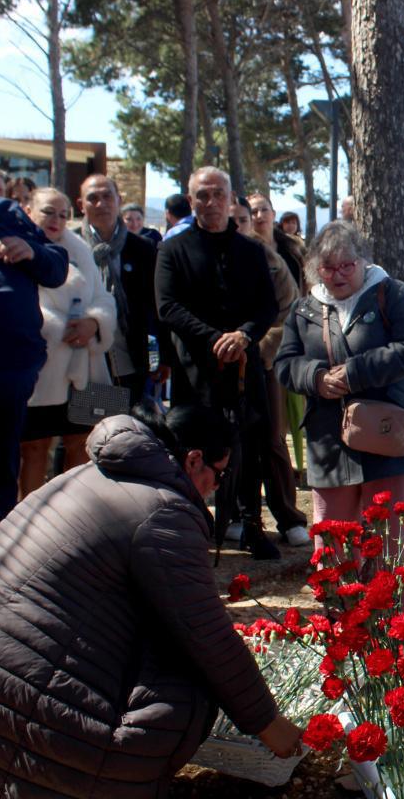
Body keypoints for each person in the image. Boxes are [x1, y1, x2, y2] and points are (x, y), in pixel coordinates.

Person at [0, 404, 303, 796]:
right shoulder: (164, 511)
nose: (217, 487)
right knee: (187, 685)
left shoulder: (83, 475)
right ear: (194, 460)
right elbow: (207, 635)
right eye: (220, 474)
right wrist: (268, 723)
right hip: (16, 709)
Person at [275, 221, 404, 556]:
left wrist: (354, 373)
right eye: (328, 267)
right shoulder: (303, 309)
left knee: (392, 551)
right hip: (329, 443)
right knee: (333, 551)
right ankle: (341, 595)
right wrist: (316, 378)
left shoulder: (395, 294)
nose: (338, 274)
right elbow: (285, 364)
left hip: (389, 441)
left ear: (363, 261)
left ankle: (388, 596)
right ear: (315, 269)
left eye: (347, 265)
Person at [156, 167, 281, 559]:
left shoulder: (251, 250)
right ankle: (189, 527)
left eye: (218, 195)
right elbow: (168, 307)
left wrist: (243, 335)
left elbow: (268, 306)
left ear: (230, 199)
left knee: (252, 445)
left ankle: (251, 525)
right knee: (193, 450)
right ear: (190, 200)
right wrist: (215, 339)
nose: (211, 202)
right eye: (202, 195)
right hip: (196, 368)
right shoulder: (173, 250)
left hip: (244, 365)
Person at [0, 124, 68, 535]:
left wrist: (32, 251)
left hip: (28, 369)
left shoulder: (5, 214)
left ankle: (0, 559)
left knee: (4, 468)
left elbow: (58, 269)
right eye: (49, 212)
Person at [18, 187, 117, 497]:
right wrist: (60, 328)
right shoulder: (19, 247)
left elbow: (103, 298)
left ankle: (70, 516)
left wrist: (94, 323)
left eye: (63, 215)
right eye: (48, 212)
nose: (56, 220)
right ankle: (28, 518)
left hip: (86, 364)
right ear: (29, 211)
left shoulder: (80, 249)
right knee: (33, 447)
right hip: (40, 368)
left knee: (82, 443)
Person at [232, 195, 309, 547]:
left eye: (243, 219)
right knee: (231, 441)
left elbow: (289, 309)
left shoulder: (269, 257)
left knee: (272, 438)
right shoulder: (200, 253)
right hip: (219, 363)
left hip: (264, 363)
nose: (237, 226)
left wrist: (259, 348)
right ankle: (236, 515)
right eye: (233, 220)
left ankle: (289, 516)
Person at [78, 174, 163, 404]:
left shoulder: (143, 249)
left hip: (129, 360)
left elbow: (156, 306)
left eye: (107, 196)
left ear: (119, 200)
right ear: (81, 205)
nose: (101, 204)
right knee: (88, 422)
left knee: (127, 424)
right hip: (83, 362)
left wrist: (163, 357)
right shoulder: (71, 248)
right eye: (92, 198)